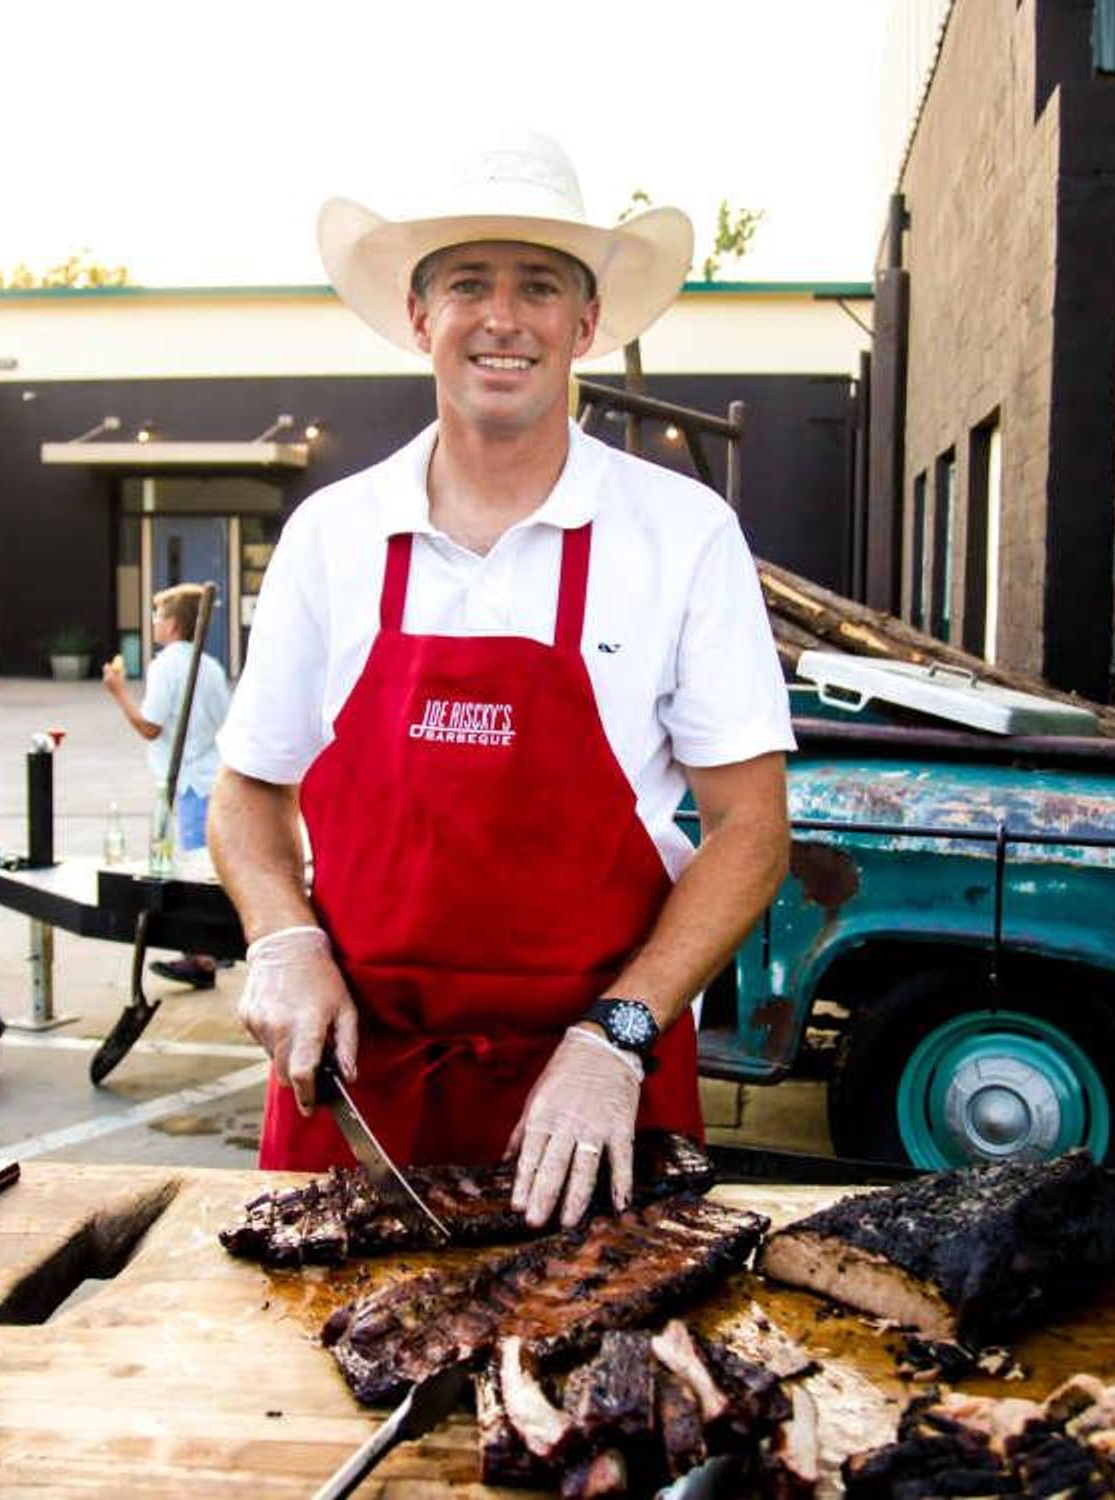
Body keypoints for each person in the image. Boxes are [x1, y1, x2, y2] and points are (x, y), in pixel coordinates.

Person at [211, 127, 794, 1230]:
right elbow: (247, 789)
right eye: (467, 283)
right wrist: (282, 939)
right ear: (420, 316)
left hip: (595, 1087)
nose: (502, 317)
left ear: (584, 323)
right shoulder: (331, 536)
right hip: (354, 1080)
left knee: (606, 1379)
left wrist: (620, 1034)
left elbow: (750, 829)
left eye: (539, 286)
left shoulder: (679, 533)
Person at [101, 582, 232, 988]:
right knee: (212, 867)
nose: (154, 623)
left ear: (172, 624)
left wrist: (119, 693)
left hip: (189, 780)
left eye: (158, 616)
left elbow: (150, 725)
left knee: (193, 871)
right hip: (212, 774)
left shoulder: (167, 667)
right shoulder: (209, 667)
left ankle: (202, 955)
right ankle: (213, 948)